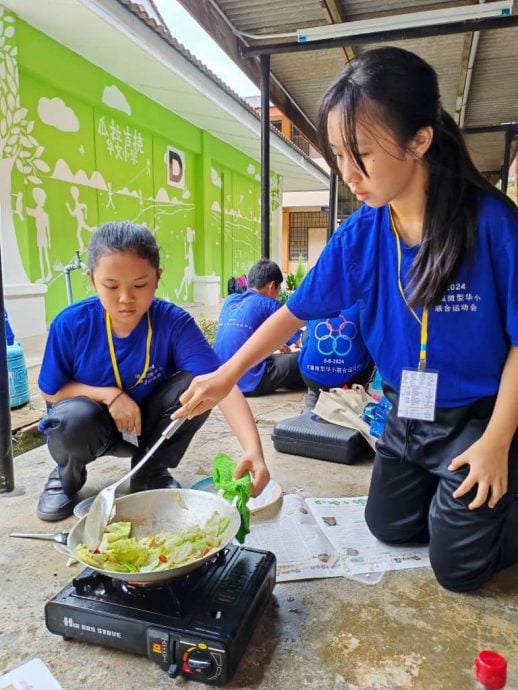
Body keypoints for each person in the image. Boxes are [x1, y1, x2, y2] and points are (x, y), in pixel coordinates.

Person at [175, 47, 518, 593]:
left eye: (361, 154)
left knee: (459, 571)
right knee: (388, 527)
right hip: (407, 414)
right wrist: (225, 375)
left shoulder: (492, 223)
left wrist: (498, 440)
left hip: (479, 418)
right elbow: (292, 314)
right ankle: (456, 499)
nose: (348, 174)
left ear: (419, 140)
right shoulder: (362, 233)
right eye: (339, 156)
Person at [36, 221, 269, 521]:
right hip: (93, 426)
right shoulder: (70, 324)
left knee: (196, 387)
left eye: (139, 284)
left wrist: (254, 450)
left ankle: (149, 470)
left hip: (148, 429)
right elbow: (50, 390)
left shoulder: (173, 322)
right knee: (70, 418)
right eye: (111, 286)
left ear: (157, 278)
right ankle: (67, 477)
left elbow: (222, 386)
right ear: (92, 279)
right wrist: (109, 396)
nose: (125, 298)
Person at [214, 259, 303, 396]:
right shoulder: (269, 304)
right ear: (272, 286)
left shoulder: (230, 301)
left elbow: (243, 333)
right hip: (250, 382)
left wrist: (275, 342)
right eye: (279, 290)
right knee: (305, 358)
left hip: (222, 379)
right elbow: (300, 342)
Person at [298, 304, 374, 411]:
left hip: (311, 378)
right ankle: (357, 394)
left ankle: (313, 395)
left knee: (308, 334)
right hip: (349, 380)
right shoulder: (363, 302)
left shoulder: (316, 300)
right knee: (370, 341)